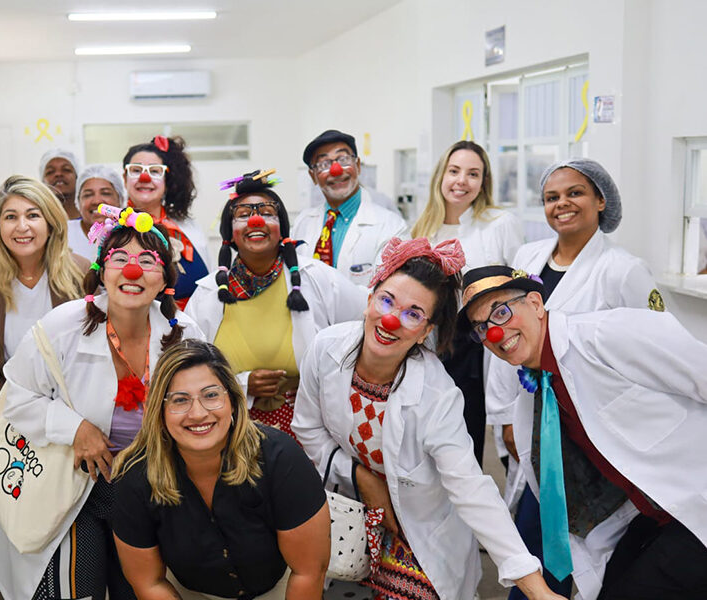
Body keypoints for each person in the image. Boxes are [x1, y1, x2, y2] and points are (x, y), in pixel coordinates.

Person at [292, 238, 566, 600]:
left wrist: (535, 588)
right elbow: (307, 428)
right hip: (351, 514)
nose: (391, 320)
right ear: (369, 298)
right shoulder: (325, 349)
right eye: (387, 301)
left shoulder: (437, 395)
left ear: (425, 332)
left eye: (413, 314)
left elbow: (470, 487)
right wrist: (362, 480)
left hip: (416, 533)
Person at [461, 266, 707, 600]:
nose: (494, 333)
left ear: (535, 303)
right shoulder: (534, 393)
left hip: (695, 504)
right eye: (481, 327)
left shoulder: (607, 334)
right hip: (652, 514)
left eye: (501, 312)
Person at [0, 207, 204, 600]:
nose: (132, 271)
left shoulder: (186, 334)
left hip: (153, 487)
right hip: (75, 489)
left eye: (147, 260)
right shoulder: (62, 327)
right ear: (102, 271)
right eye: (120, 260)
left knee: (140, 590)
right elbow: (17, 396)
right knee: (77, 591)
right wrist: (76, 428)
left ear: (165, 279)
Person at [484, 158, 661, 599]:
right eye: (551, 197)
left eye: (575, 193)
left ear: (601, 200)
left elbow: (659, 353)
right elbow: (503, 337)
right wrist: (505, 417)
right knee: (532, 543)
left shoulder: (624, 270)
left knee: (590, 549)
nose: (562, 204)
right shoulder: (528, 259)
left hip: (596, 434)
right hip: (535, 426)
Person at [110, 339, 331, 599]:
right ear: (160, 410)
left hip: (280, 589)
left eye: (211, 395)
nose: (197, 413)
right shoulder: (135, 477)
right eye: (180, 400)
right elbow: (148, 583)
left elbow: (308, 572)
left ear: (234, 401)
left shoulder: (280, 458)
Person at [0, 174, 90, 597]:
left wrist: (69, 424)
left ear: (51, 221)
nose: (22, 226)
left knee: (70, 524)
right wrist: (19, 421)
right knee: (23, 516)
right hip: (14, 421)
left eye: (33, 215)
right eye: (10, 216)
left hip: (76, 421)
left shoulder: (81, 272)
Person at [186, 169, 367, 440]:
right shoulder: (208, 293)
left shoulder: (317, 278)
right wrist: (243, 385)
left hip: (313, 425)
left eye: (267, 213)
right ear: (230, 234)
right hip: (229, 428)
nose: (255, 220)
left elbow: (362, 325)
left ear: (281, 227)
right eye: (243, 215)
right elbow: (189, 369)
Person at [410, 140, 524, 466]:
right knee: (431, 442)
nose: (462, 181)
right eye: (454, 171)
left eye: (473, 174)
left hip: (482, 347)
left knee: (469, 442)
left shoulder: (500, 224)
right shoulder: (423, 230)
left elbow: (519, 292)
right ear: (441, 176)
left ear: (483, 182)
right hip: (433, 345)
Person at [292, 129, 409, 286]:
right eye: (324, 164)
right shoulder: (302, 223)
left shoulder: (392, 227)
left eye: (343, 159)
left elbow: (395, 291)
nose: (336, 170)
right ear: (313, 176)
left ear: (358, 165)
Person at [122, 134, 211, 308]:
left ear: (166, 181)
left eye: (155, 171)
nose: (144, 178)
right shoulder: (114, 226)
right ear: (125, 178)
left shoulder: (188, 227)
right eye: (136, 170)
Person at [68, 164, 125, 260]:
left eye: (106, 193)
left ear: (120, 200)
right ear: (78, 202)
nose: (97, 201)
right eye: (88, 195)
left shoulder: (131, 235)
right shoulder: (63, 233)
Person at [40, 148, 80, 220]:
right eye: (50, 171)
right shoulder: (39, 220)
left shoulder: (93, 220)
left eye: (66, 169)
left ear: (77, 177)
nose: (58, 174)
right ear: (43, 181)